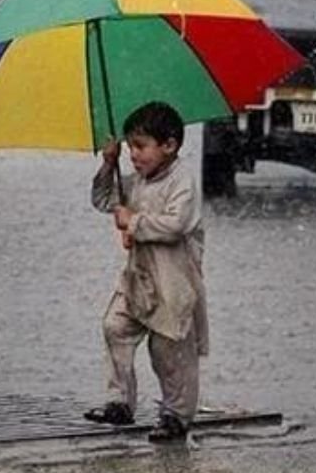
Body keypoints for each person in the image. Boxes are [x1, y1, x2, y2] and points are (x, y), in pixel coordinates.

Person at [84, 101, 208, 443]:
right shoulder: (137, 181)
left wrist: (134, 222)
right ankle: (120, 401)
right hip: (138, 277)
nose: (134, 155)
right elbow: (103, 199)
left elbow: (175, 225)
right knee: (115, 327)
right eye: (129, 147)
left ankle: (176, 414)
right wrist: (109, 164)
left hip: (172, 281)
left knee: (169, 350)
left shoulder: (182, 182)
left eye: (141, 147)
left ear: (169, 145)